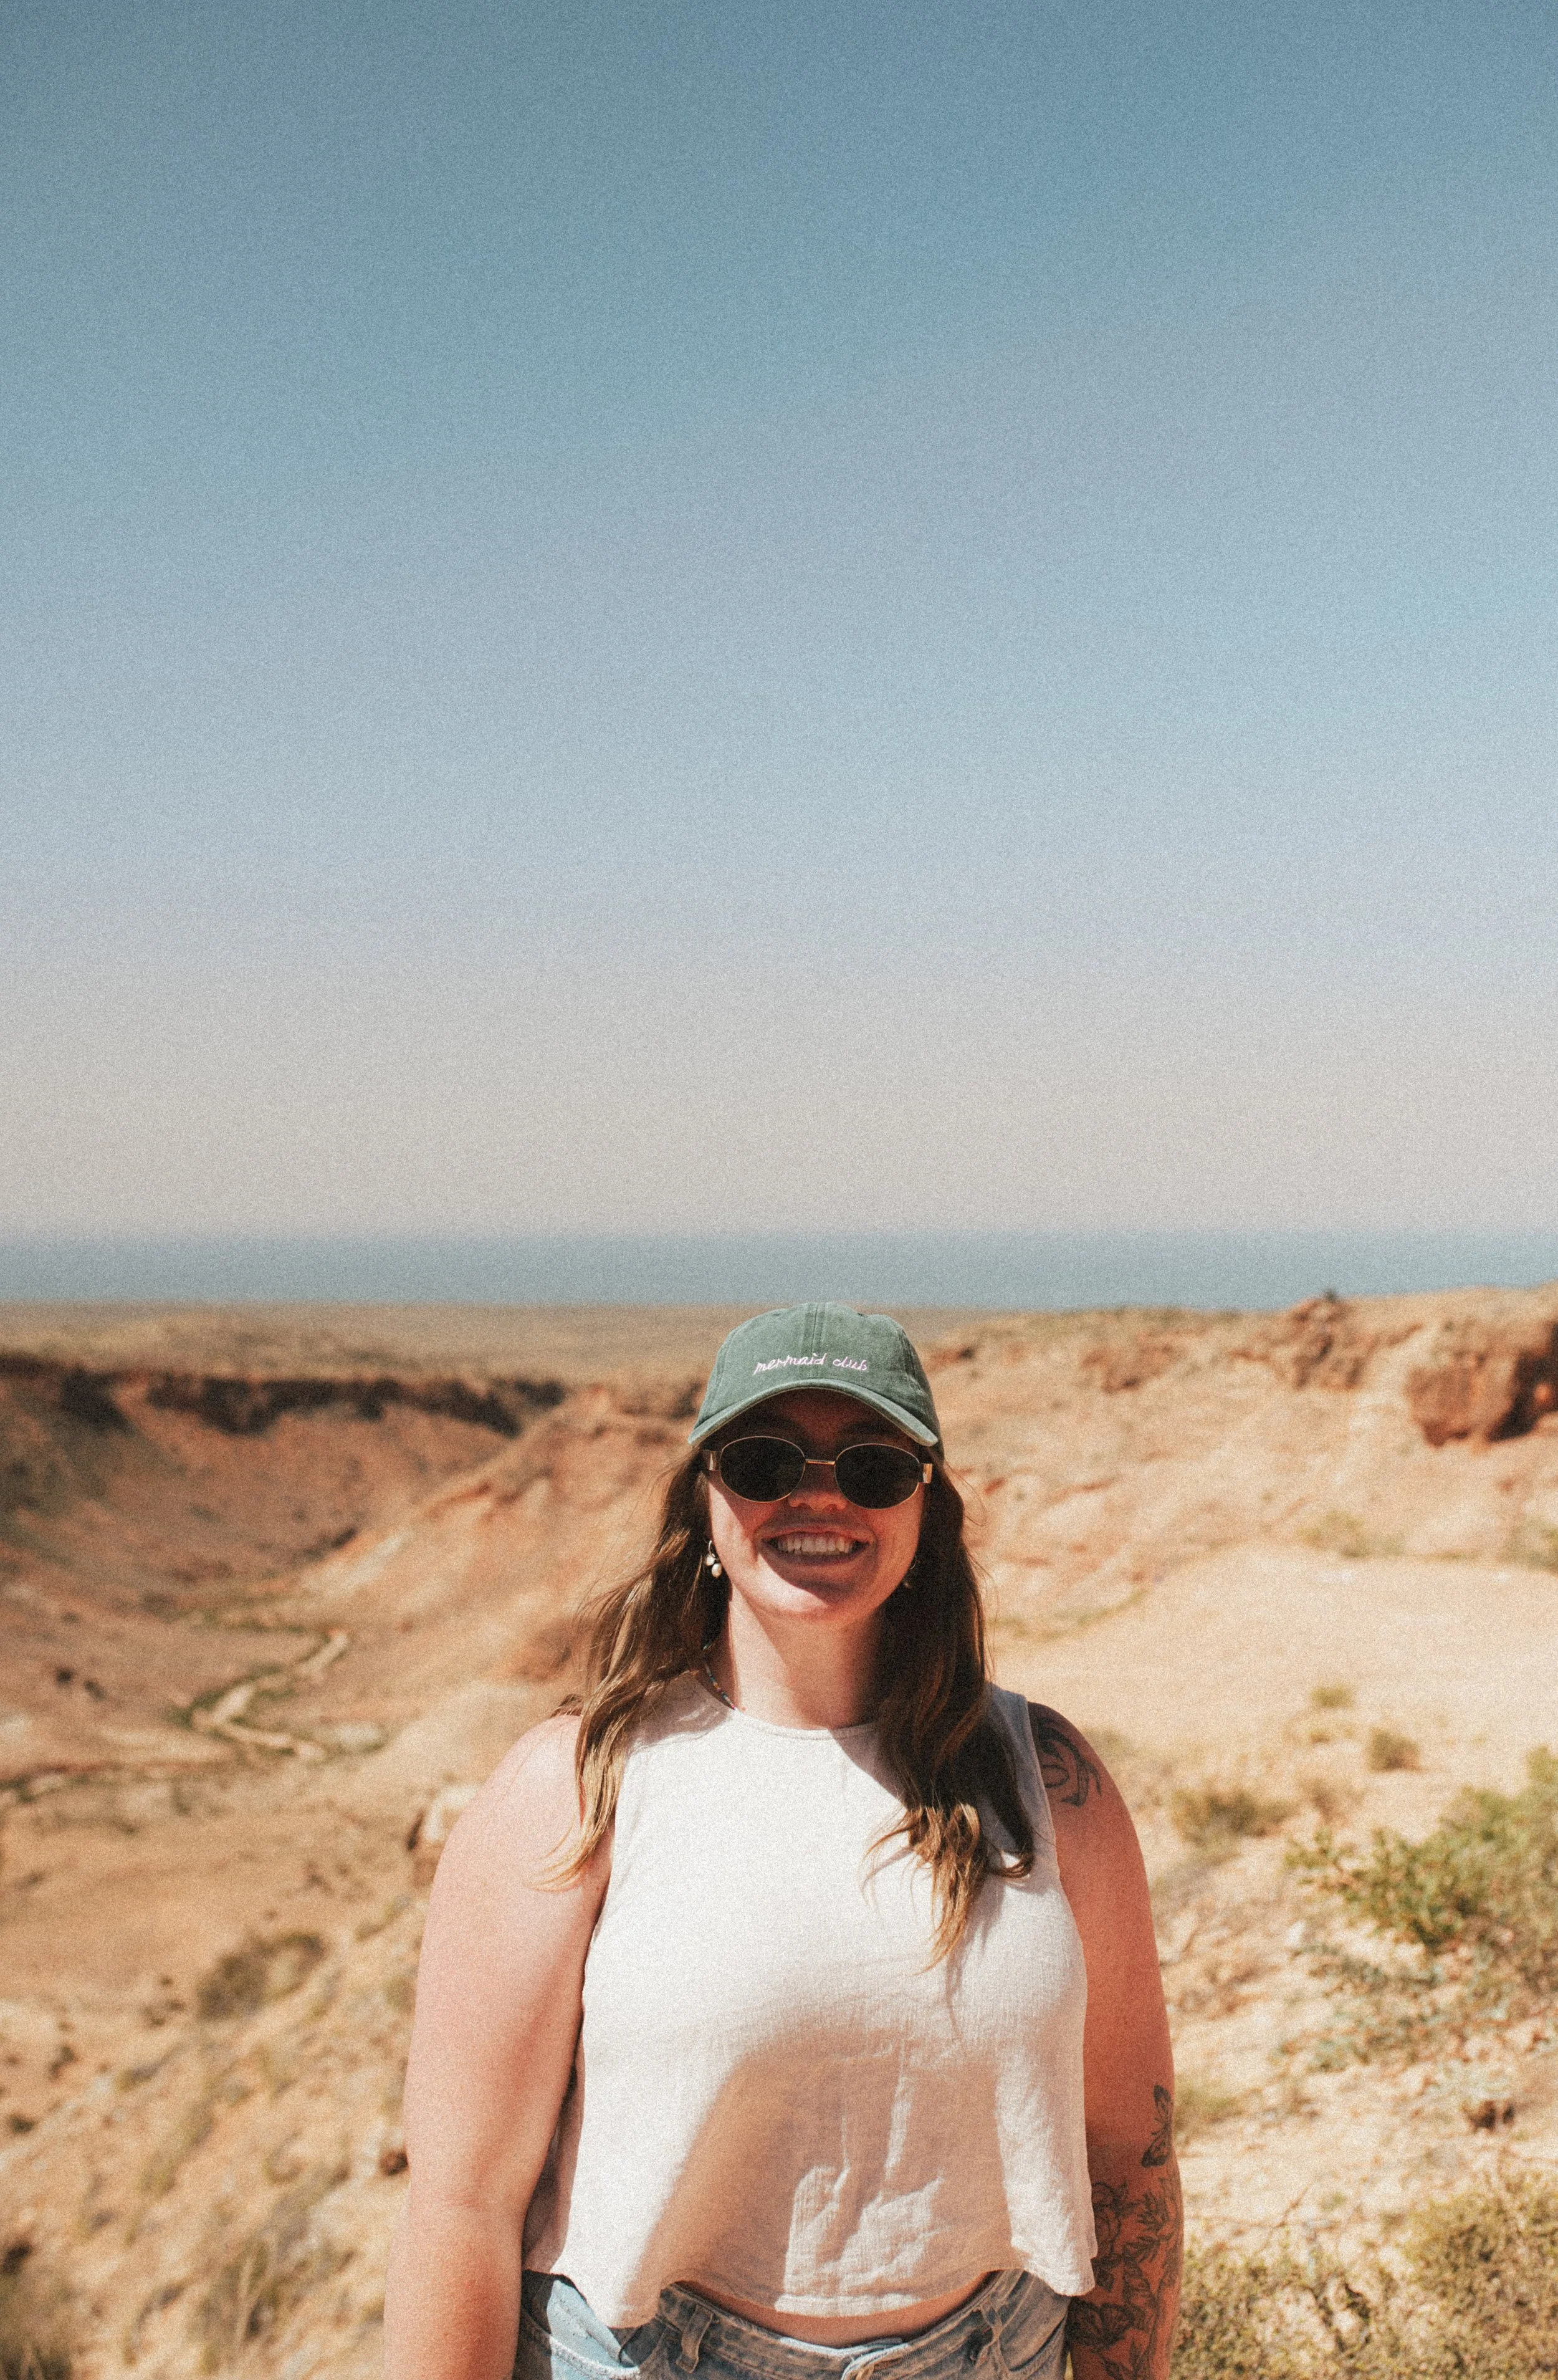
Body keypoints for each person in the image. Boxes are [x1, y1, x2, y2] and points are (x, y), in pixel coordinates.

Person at [383, 1303, 1180, 2380]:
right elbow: (462, 2208)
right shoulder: (578, 1785)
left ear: (926, 1506)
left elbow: (1130, 2161)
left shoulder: (1046, 1782)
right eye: (765, 1461)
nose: (819, 1496)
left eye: (872, 1466)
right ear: (706, 1497)